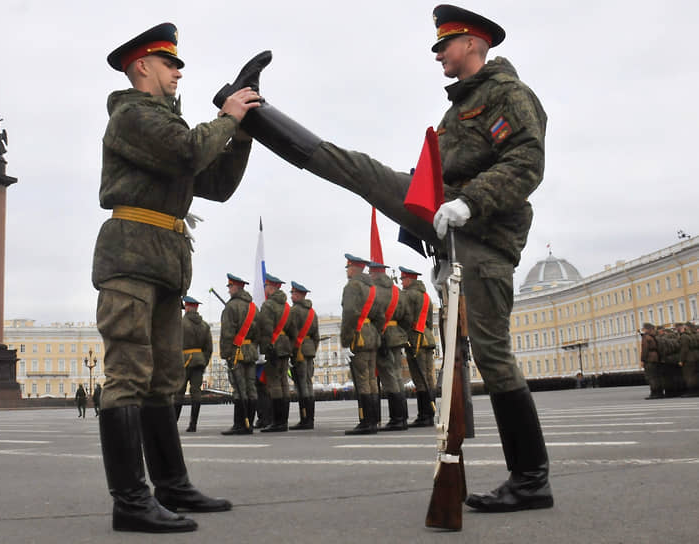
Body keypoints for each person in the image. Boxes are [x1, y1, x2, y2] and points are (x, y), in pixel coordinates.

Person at [227, 4, 553, 512]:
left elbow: (527, 161)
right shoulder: (458, 108)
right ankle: (252, 112)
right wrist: (434, 243)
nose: (439, 53)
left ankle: (532, 478)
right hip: (450, 231)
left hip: (484, 238)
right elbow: (435, 175)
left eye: (445, 44)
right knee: (359, 171)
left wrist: (470, 204)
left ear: (473, 42)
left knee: (492, 358)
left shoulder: (507, 95)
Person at [93, 22, 260, 533]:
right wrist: (224, 115)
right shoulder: (132, 115)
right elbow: (189, 150)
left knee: (163, 378)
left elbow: (214, 182)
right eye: (169, 63)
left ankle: (171, 484)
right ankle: (130, 501)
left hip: (166, 256)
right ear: (141, 66)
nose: (178, 71)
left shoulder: (168, 125)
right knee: (128, 375)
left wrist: (242, 130)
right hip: (131, 253)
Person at [341, 254, 383, 435]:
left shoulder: (352, 286)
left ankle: (365, 421)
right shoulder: (372, 288)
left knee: (362, 380)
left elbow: (349, 313)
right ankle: (374, 420)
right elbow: (380, 315)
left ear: (352, 269)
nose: (347, 271)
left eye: (347, 268)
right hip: (372, 335)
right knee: (372, 379)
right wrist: (374, 332)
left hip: (358, 336)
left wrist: (344, 342)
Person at [367, 262, 409, 431]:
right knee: (398, 375)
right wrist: (399, 332)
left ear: (375, 273)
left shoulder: (374, 291)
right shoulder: (397, 291)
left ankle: (396, 418)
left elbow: (373, 314)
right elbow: (407, 316)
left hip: (382, 335)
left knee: (388, 377)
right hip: (397, 336)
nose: (369, 275)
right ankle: (403, 416)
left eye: (370, 272)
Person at [220, 273, 261, 435]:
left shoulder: (231, 307)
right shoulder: (253, 307)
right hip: (250, 352)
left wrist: (225, 354)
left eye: (230, 287)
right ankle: (249, 422)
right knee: (251, 388)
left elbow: (227, 334)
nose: (229, 290)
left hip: (236, 352)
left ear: (236, 287)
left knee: (239, 388)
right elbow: (258, 332)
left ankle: (239, 424)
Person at [398, 266, 437, 427]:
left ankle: (424, 416)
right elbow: (428, 320)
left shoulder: (408, 295)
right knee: (428, 377)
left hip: (416, 339)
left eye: (403, 279)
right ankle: (430, 413)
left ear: (409, 280)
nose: (402, 283)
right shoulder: (426, 296)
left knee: (420, 378)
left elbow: (404, 316)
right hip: (427, 337)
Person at [257, 273, 296, 433]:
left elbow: (266, 329)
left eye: (266, 286)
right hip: (285, 347)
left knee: (273, 384)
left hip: (273, 347)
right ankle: (284, 421)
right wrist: (290, 347)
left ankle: (277, 422)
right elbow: (293, 331)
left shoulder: (268, 306)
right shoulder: (287, 306)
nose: (265, 289)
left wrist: (265, 349)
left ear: (271, 287)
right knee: (284, 383)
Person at [176, 296, 213, 432]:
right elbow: (209, 348)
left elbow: (174, 344)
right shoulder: (204, 325)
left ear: (187, 307)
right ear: (196, 308)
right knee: (196, 392)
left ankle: (173, 423)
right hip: (199, 361)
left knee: (178, 392)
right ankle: (193, 424)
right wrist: (204, 361)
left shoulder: (180, 323)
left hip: (183, 361)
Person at [287, 281, 320, 430]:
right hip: (309, 350)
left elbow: (291, 333)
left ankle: (305, 419)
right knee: (308, 383)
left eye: (293, 293)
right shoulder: (313, 312)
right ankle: (310, 418)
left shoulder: (294, 311)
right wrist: (312, 349)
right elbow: (316, 336)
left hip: (298, 350)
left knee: (301, 386)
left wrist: (292, 351)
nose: (292, 296)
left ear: (300, 295)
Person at [640, 323, 662, 399]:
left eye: (643, 328)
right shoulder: (654, 336)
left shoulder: (646, 337)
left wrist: (643, 360)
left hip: (649, 358)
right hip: (656, 357)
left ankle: (654, 392)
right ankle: (659, 392)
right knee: (656, 376)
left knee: (651, 376)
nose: (642, 330)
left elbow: (645, 349)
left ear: (646, 329)